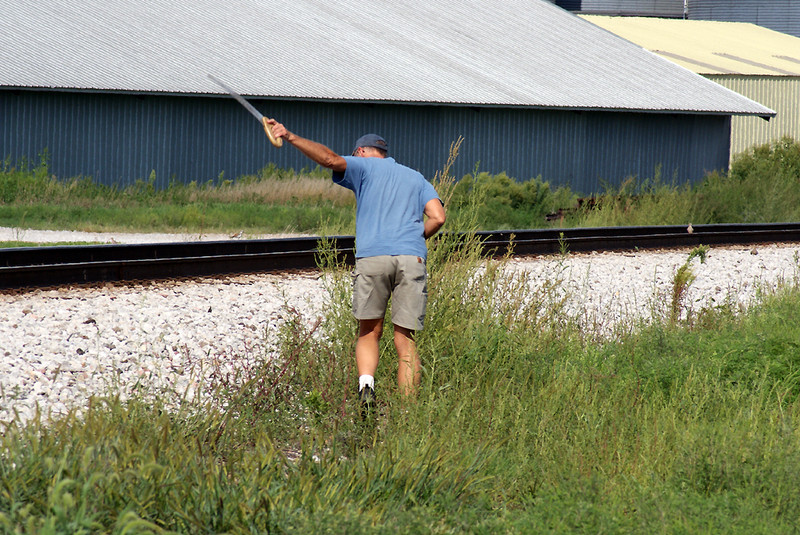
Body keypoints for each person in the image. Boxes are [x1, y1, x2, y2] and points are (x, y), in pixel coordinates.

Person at [266, 119, 446, 414]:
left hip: (373, 258)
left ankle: (366, 388)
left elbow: (329, 159)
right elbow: (438, 216)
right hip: (411, 259)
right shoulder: (416, 178)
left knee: (368, 331)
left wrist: (290, 136)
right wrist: (415, 238)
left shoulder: (363, 166)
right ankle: (407, 414)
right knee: (406, 341)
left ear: (361, 151)